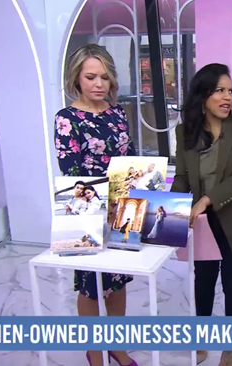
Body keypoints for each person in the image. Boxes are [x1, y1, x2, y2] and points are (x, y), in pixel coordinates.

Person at [171, 63, 232, 366]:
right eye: (219, 91)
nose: (228, 98)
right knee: (204, 280)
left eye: (231, 91)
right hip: (202, 220)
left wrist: (207, 199)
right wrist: (173, 207)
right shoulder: (185, 131)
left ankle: (231, 348)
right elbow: (183, 178)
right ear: (202, 97)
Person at [54, 43, 138, 366]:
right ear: (77, 78)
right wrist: (106, 191)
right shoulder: (67, 118)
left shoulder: (118, 114)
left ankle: (116, 345)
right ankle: (95, 350)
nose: (99, 84)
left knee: (117, 280)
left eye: (104, 77)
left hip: (122, 207)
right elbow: (71, 172)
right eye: (91, 77)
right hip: (85, 208)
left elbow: (129, 157)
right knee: (90, 285)